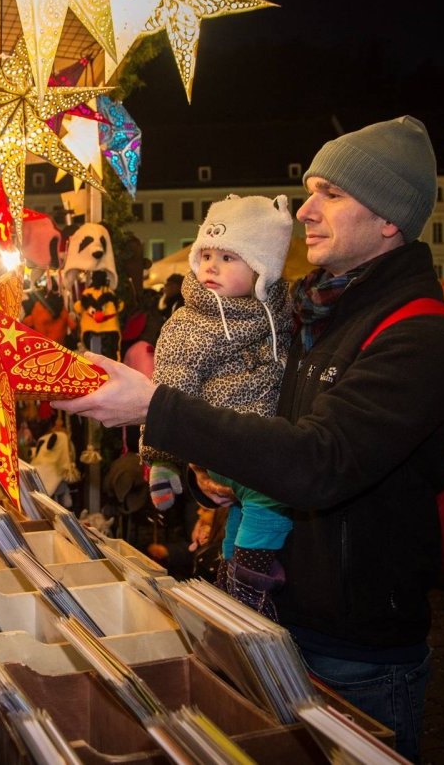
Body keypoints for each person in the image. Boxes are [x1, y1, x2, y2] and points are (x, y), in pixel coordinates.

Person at [54, 116, 444, 761]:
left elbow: (318, 462)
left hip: (353, 648)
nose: (305, 209)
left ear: (389, 217)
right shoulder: (309, 314)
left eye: (331, 193)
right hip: (271, 614)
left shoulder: (422, 337)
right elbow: (266, 431)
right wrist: (211, 469)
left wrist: (157, 408)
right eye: (310, 190)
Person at [139, 194, 295, 619]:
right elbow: (169, 388)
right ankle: (249, 587)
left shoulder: (281, 316)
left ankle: (233, 584)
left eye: (228, 256)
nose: (210, 265)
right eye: (205, 254)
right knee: (269, 505)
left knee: (239, 523)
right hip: (229, 448)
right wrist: (162, 461)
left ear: (264, 270)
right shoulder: (189, 323)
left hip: (263, 442)